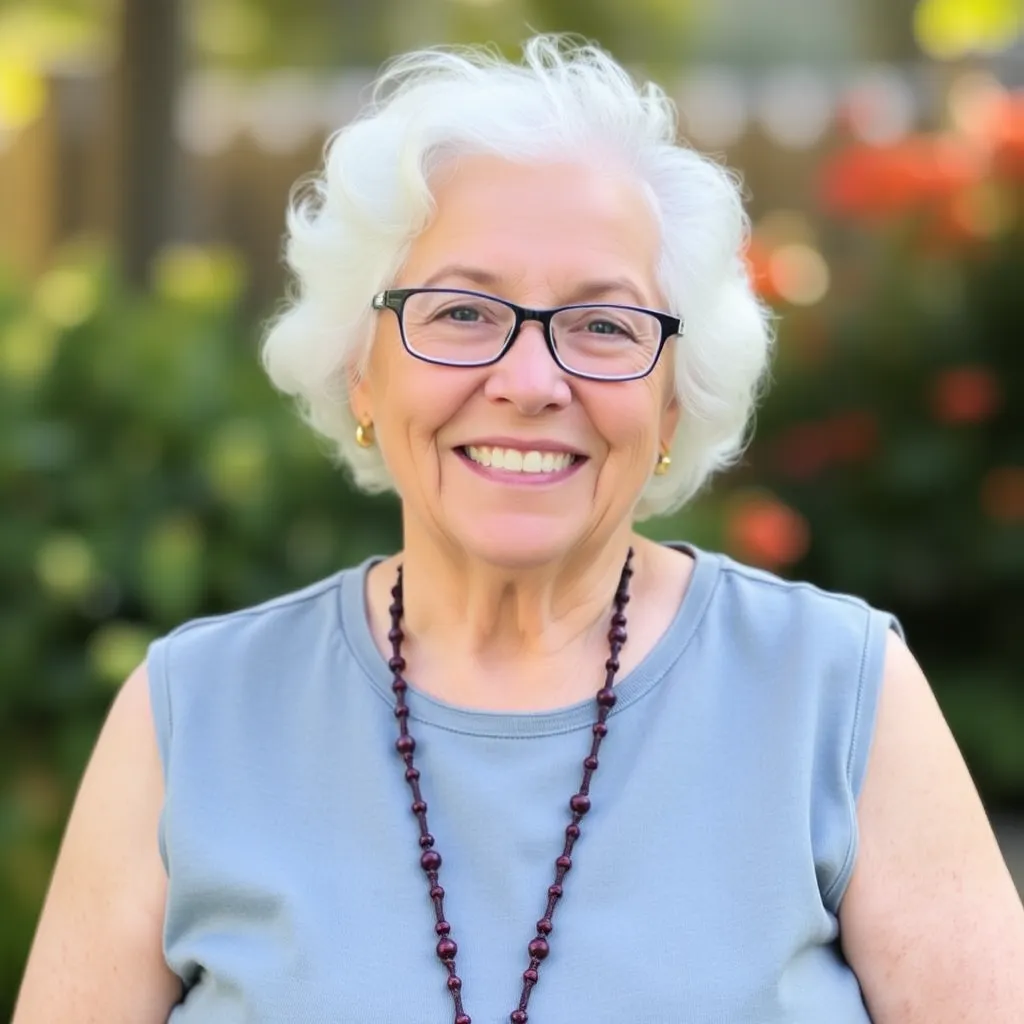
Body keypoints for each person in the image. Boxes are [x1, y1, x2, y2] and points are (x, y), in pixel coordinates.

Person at [13, 35, 1024, 1024]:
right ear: (361, 368)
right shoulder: (192, 714)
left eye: (604, 325)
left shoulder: (835, 692)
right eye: (461, 312)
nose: (531, 382)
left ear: (673, 401)